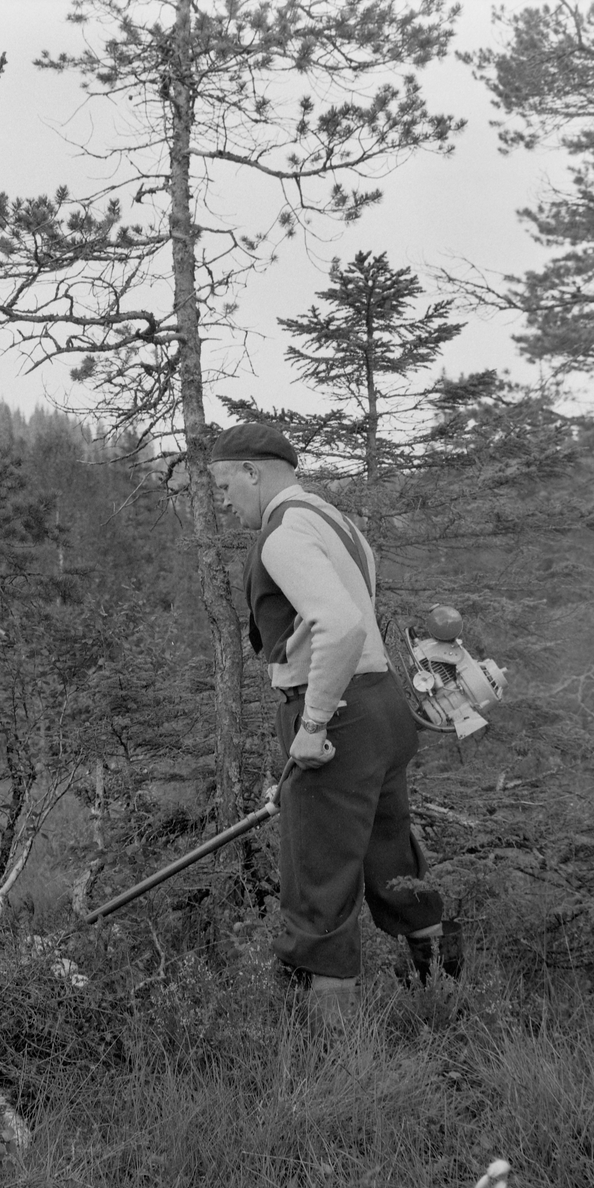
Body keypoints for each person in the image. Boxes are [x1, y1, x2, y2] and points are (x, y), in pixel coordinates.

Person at [209, 422, 460, 1023]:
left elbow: (341, 627)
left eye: (223, 484)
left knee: (319, 877)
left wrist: (314, 724)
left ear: (253, 471)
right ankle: (449, 1003)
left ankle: (336, 1064)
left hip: (339, 713)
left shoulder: (285, 533)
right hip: (382, 709)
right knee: (392, 858)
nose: (221, 500)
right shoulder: (335, 520)